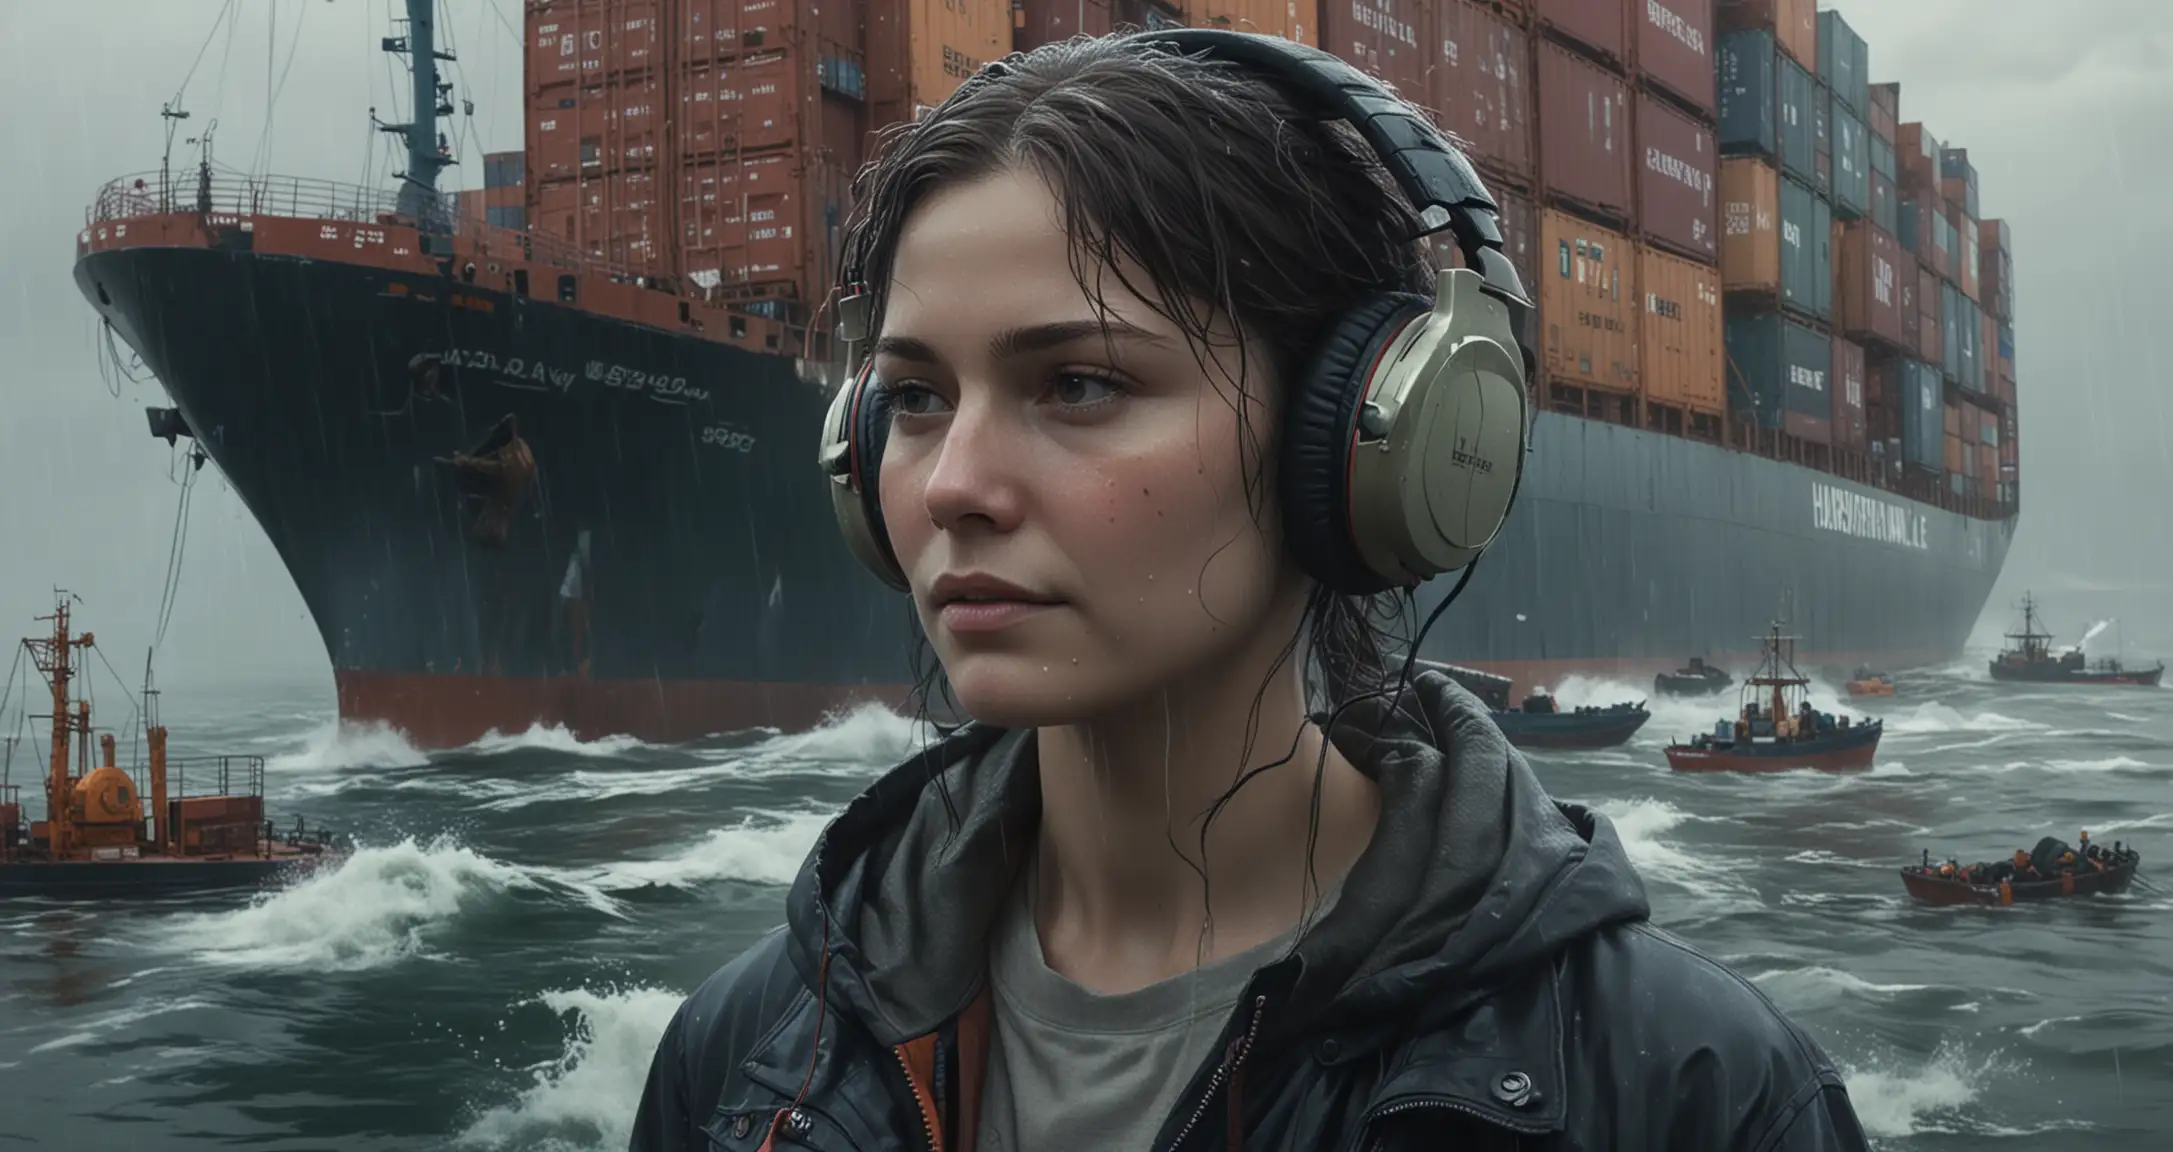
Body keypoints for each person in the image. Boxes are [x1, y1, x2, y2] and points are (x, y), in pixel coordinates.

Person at [627, 30, 1868, 1152]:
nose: (952, 486)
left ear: (1372, 437)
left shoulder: (1699, 1098)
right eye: (913, 397)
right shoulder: (737, 1064)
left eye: (1079, 386)